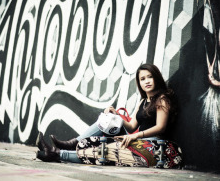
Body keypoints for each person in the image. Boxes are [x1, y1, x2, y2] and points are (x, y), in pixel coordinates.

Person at [35, 63, 177, 163]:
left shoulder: (162, 99)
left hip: (154, 144)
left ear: (156, 78)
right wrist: (116, 115)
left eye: (149, 77)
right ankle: (72, 144)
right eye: (142, 79)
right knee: (107, 119)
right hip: (139, 140)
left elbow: (161, 127)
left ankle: (57, 153)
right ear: (139, 83)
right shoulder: (143, 102)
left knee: (104, 152)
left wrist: (136, 137)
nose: (146, 81)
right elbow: (132, 126)